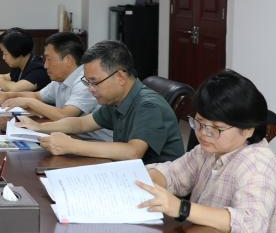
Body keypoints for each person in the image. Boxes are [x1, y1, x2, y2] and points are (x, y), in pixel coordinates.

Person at [135, 70, 276, 233]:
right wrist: (146, 179)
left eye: (215, 128)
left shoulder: (257, 164)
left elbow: (251, 227)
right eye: (199, 122)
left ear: (248, 129)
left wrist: (181, 208)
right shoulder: (209, 149)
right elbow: (174, 174)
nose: (203, 133)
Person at [17, 40, 183, 163]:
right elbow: (81, 124)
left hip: (157, 187)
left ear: (120, 77)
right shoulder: (117, 100)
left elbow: (133, 151)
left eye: (95, 82)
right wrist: (39, 128)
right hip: (128, 173)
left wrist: (71, 145)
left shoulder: (149, 105)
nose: (91, 89)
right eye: (87, 82)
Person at [0, 32, 112, 141]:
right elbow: (37, 95)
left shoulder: (85, 81)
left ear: (68, 59)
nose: (45, 65)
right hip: (73, 137)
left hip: (97, 144)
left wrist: (29, 102)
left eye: (49, 59)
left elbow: (65, 115)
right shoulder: (60, 79)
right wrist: (7, 95)